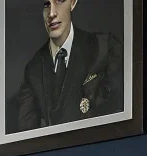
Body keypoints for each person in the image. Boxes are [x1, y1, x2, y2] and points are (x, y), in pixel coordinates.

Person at [14, 0, 124, 132]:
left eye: (59, 1)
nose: (51, 13)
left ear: (73, 2)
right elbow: (27, 135)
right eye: (46, 4)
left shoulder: (105, 48)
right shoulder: (33, 69)